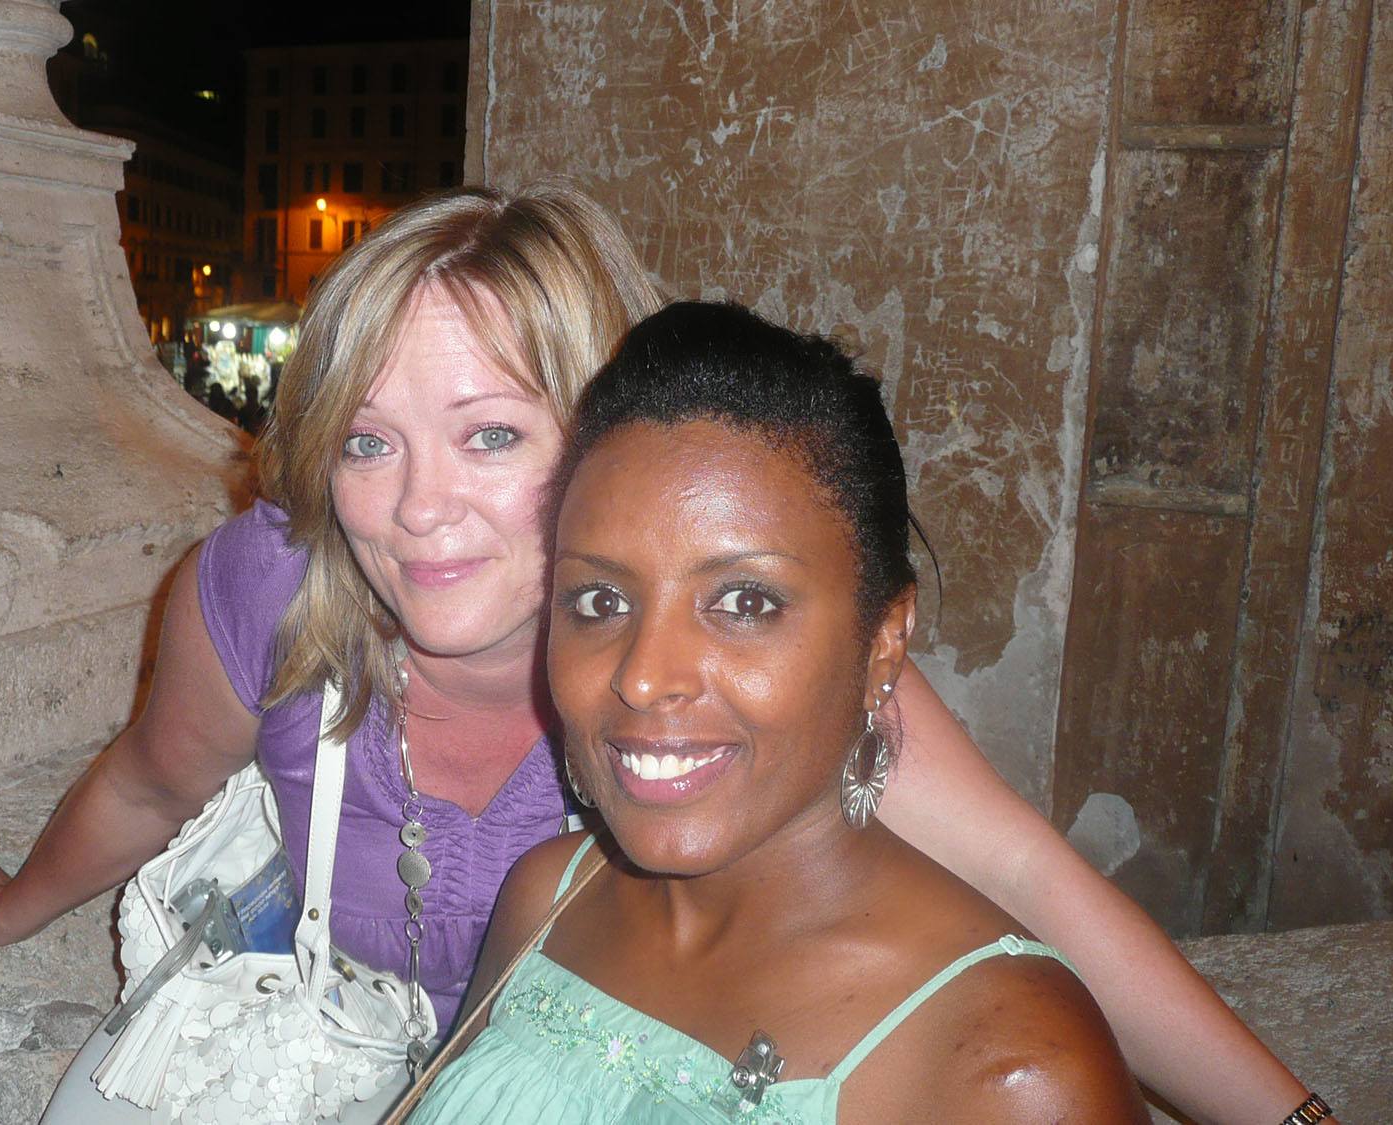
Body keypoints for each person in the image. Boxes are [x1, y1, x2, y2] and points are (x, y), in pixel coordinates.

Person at [0, 185, 1320, 1124]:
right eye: (367, 441)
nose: (416, 507)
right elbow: (148, 779)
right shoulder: (268, 586)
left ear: (607, 448)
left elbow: (1033, 883)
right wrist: (4, 915)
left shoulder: (712, 678)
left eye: (490, 435)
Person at [410, 300, 1146, 1122]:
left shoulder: (1008, 1067)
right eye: (601, 598)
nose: (645, 678)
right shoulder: (548, 897)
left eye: (746, 602)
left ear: (884, 642)